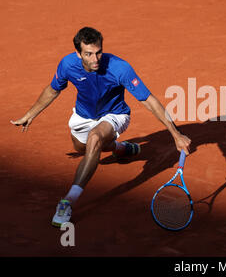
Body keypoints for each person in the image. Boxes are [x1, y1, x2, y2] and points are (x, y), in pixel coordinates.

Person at [10, 27, 191, 227]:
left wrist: (176, 133)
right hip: (83, 115)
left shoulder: (119, 68)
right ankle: (120, 148)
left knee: (95, 138)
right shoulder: (67, 65)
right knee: (81, 148)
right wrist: (30, 114)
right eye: (88, 54)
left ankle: (67, 201)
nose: (95, 59)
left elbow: (148, 100)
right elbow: (53, 90)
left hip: (115, 114)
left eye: (98, 52)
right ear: (78, 53)